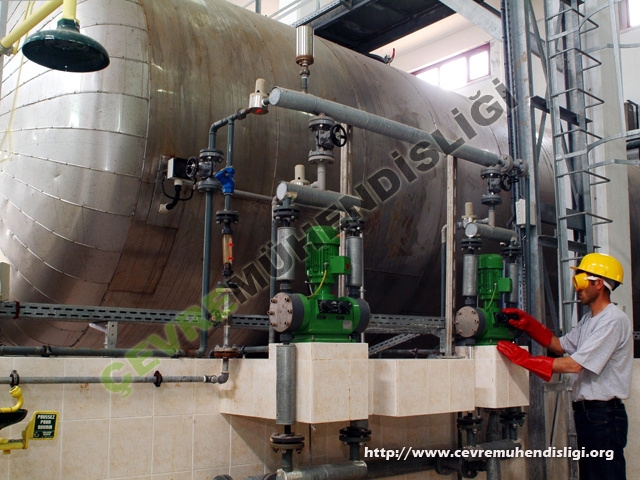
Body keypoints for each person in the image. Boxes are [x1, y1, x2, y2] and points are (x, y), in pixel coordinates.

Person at [496, 253, 632, 480]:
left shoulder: (613, 320)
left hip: (604, 416)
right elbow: (559, 346)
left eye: (580, 280)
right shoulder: (589, 320)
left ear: (599, 283)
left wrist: (526, 360)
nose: (577, 288)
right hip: (591, 416)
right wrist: (528, 324)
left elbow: (574, 365)